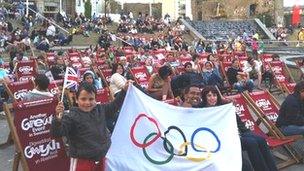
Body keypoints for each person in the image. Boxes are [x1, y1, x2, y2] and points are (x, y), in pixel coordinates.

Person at [51, 81, 132, 171]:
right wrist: (57, 119)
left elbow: (114, 105)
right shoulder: (71, 116)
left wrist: (124, 91)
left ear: (95, 99)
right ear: (76, 99)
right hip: (82, 162)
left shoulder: (100, 109)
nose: (87, 102)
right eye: (83, 99)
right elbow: (57, 133)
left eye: (91, 99)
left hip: (101, 158)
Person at [200, 86, 277, 171]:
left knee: (261, 139)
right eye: (209, 95)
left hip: (238, 132)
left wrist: (227, 103)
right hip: (223, 139)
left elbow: (238, 122)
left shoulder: (223, 107)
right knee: (251, 142)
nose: (212, 98)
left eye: (214, 95)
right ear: (204, 97)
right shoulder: (202, 111)